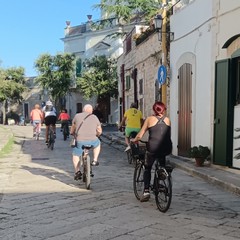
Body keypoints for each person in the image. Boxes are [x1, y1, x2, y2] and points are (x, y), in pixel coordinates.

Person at [132, 101, 172, 202]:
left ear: (154, 109)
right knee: (161, 161)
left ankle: (146, 191)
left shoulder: (150, 119)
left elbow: (140, 134)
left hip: (153, 147)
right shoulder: (168, 120)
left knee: (147, 167)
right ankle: (162, 173)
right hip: (167, 147)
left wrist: (134, 140)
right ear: (164, 110)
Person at [70, 104, 102, 180]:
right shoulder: (94, 117)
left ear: (83, 110)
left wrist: (72, 133)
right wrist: (97, 135)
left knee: (75, 154)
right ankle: (95, 160)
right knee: (97, 144)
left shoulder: (77, 116)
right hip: (93, 140)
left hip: (80, 140)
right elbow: (99, 131)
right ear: (91, 111)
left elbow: (73, 128)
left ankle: (77, 171)